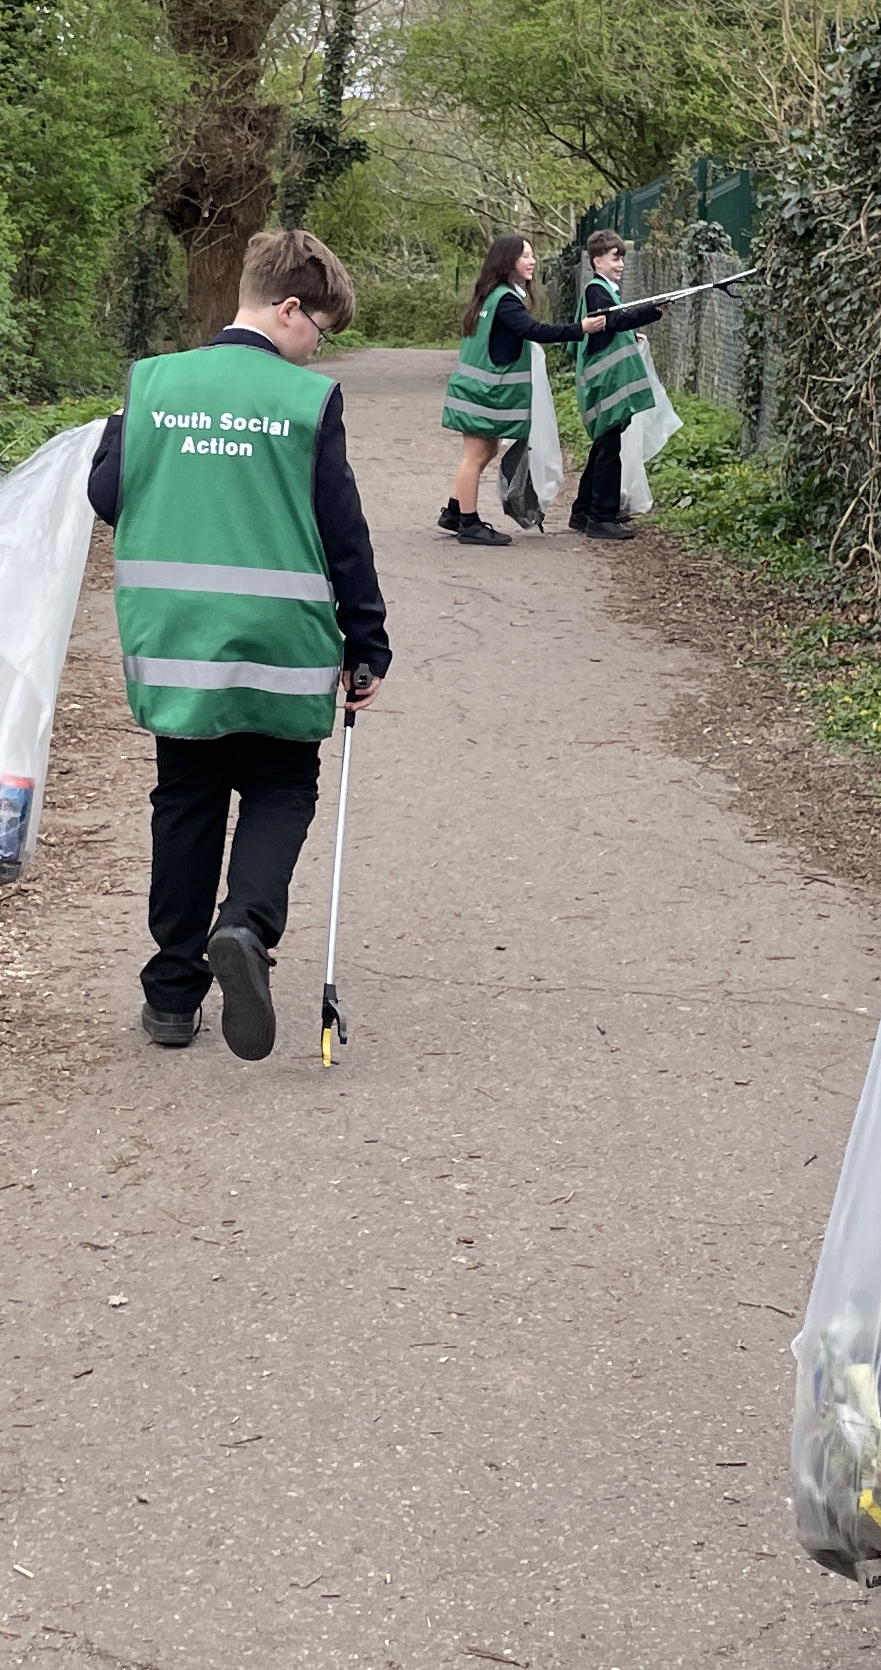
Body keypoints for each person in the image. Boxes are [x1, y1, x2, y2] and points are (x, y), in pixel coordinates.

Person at [84, 229, 391, 1058]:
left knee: (185, 801)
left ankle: (172, 998)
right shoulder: (306, 401)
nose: (316, 349)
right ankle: (247, 926)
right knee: (282, 789)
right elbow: (343, 530)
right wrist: (368, 640)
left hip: (177, 639)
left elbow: (107, 496)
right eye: (320, 331)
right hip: (281, 646)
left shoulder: (151, 386)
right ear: (289, 309)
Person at [438, 233, 660, 546]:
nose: (532, 261)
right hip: (482, 392)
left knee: (482, 451)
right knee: (475, 456)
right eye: (526, 255)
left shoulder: (493, 295)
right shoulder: (504, 300)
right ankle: (469, 523)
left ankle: (454, 511)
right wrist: (580, 329)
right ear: (507, 262)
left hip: (476, 389)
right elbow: (535, 331)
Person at [568, 231, 664, 540]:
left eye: (621, 257)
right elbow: (613, 321)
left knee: (603, 446)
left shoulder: (604, 290)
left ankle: (583, 511)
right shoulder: (598, 291)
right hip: (606, 385)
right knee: (609, 448)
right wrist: (652, 312)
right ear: (597, 261)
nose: (620, 263)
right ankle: (601, 516)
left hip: (607, 385)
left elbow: (609, 329)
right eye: (614, 257)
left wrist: (630, 335)